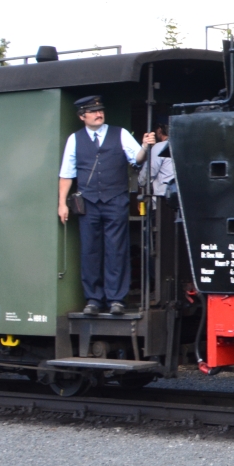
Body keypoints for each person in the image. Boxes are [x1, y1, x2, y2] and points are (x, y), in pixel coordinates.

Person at [56, 95, 155, 316]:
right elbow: (66, 174)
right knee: (90, 250)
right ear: (82, 116)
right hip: (88, 203)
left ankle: (116, 299)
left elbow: (136, 159)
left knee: (116, 250)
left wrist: (146, 147)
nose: (99, 113)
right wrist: (62, 203)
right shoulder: (75, 139)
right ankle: (93, 299)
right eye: (93, 111)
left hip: (115, 200)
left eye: (101, 109)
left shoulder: (119, 134)